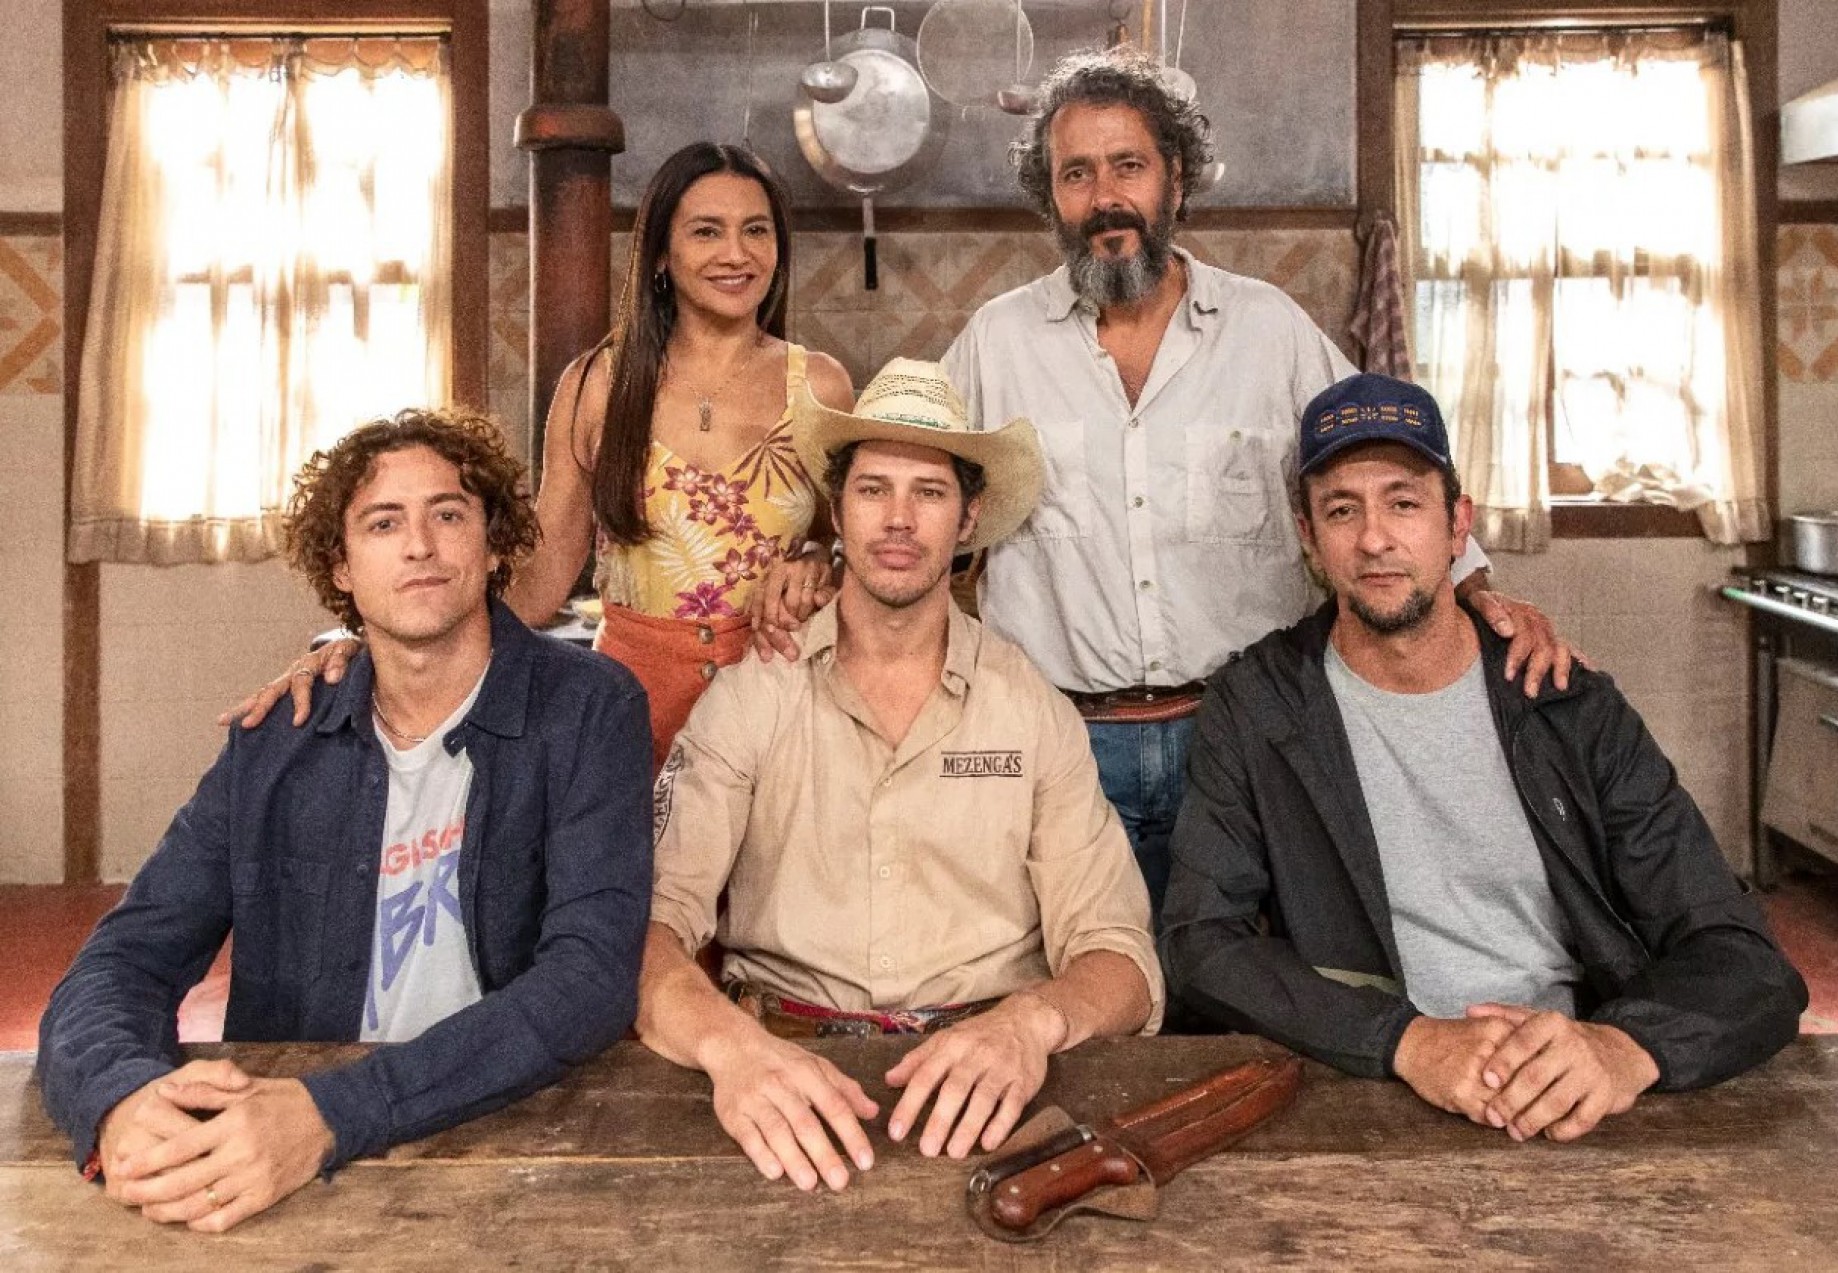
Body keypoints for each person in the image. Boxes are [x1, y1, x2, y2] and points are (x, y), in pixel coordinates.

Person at [750, 48, 1575, 918]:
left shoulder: (1269, 329)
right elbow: (905, 470)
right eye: (1077, 174)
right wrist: (821, 559)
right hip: (1062, 740)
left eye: (1128, 166)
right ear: (1052, 198)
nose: (1105, 196)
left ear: (1174, 180)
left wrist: (1483, 592)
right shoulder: (1000, 340)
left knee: (1252, 978)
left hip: (1246, 732)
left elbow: (1387, 469)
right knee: (1085, 980)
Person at [39, 408, 653, 1232]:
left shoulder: (589, 710)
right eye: (383, 522)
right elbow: (122, 960)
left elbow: (588, 978)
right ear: (342, 563)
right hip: (286, 1159)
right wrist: (119, 1096)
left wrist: (331, 1112)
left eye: (448, 513)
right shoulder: (276, 740)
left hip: (507, 1125)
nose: (419, 546)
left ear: (497, 543)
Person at [1159, 374, 1807, 1143]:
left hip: (1570, 1084)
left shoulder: (1564, 701)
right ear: (1308, 534)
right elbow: (1201, 941)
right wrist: (1405, 1039)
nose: (1374, 538)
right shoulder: (1258, 704)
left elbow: (1743, 955)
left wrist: (1622, 1046)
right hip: (1371, 1090)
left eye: (1404, 502)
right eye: (1342, 509)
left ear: (1457, 523)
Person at [640, 359, 1161, 1195]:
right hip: (784, 1076)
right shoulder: (756, 692)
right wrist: (731, 1049)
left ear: (969, 517)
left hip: (997, 1088)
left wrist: (1027, 1023)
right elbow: (650, 928)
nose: (898, 519)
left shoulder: (1029, 708)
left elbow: (1122, 958)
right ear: (837, 511)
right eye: (874, 488)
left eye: (929, 492)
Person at [228, 142, 857, 772]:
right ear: (662, 253)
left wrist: (816, 564)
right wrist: (374, 644)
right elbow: (548, 569)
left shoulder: (821, 387)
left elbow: (847, 549)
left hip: (778, 698)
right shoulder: (598, 385)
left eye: (756, 231)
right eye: (706, 232)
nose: (736, 254)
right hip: (629, 704)